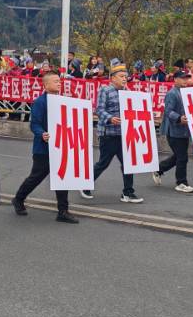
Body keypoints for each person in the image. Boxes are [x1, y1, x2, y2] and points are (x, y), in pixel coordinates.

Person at [11, 71, 80, 223]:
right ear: (46, 85)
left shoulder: (63, 100)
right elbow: (34, 124)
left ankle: (63, 211)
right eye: (55, 81)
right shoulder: (40, 102)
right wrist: (42, 133)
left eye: (59, 81)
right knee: (36, 177)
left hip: (60, 146)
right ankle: (18, 199)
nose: (59, 83)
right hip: (43, 148)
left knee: (62, 177)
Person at [80, 63, 144, 203]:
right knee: (103, 163)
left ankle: (128, 192)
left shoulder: (127, 92)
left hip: (124, 134)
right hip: (108, 134)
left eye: (126, 76)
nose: (124, 79)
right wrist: (110, 118)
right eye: (121, 76)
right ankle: (85, 184)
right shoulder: (106, 90)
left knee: (128, 163)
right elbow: (99, 110)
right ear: (113, 78)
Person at [153, 70, 193, 193]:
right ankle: (181, 182)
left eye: (186, 78)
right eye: (182, 78)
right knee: (182, 157)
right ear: (175, 79)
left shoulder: (186, 93)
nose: (185, 80)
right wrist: (179, 118)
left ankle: (159, 169)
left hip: (184, 130)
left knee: (179, 156)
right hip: (174, 131)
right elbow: (168, 111)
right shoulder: (172, 93)